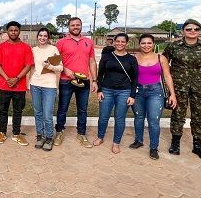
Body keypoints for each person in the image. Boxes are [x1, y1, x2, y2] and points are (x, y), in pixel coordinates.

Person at [163, 18, 201, 161]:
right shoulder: (173, 46)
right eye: (189, 29)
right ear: (183, 31)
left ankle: (198, 146)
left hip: (200, 86)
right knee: (178, 114)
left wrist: (200, 70)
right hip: (179, 85)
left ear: (199, 31)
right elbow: (164, 61)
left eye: (196, 29)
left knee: (200, 115)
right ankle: (175, 143)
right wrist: (174, 71)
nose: (192, 31)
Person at [130, 34, 177, 160]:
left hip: (155, 92)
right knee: (138, 117)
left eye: (149, 43)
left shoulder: (161, 58)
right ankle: (138, 140)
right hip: (138, 91)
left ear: (153, 44)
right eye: (143, 43)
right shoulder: (133, 58)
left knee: (153, 121)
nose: (146, 45)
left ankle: (153, 147)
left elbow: (167, 76)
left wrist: (172, 94)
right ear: (139, 44)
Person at [54, 17, 98, 147]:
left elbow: (91, 61)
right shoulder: (61, 42)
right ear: (69, 27)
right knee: (62, 108)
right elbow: (55, 60)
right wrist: (65, 69)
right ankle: (59, 132)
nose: (75, 27)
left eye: (77, 25)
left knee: (83, 109)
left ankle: (81, 134)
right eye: (72, 25)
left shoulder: (88, 42)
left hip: (84, 80)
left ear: (81, 26)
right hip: (66, 81)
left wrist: (94, 80)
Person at [93, 33, 138, 153]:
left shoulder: (132, 59)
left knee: (119, 118)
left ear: (127, 43)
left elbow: (135, 79)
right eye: (118, 41)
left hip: (124, 92)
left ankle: (116, 142)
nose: (120, 44)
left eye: (123, 42)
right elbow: (100, 74)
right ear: (114, 42)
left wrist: (132, 95)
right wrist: (99, 90)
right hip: (107, 90)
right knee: (103, 117)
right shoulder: (107, 56)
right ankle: (100, 137)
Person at [0, 21, 34, 146]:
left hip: (19, 87)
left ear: (19, 31)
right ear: (7, 32)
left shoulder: (26, 47)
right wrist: (7, 78)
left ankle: (16, 134)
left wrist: (17, 78)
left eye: (16, 30)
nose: (13, 32)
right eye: (11, 30)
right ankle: (2, 133)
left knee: (18, 111)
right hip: (4, 86)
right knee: (3, 110)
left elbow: (28, 65)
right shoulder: (1, 46)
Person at [29, 27, 63, 151]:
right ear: (37, 36)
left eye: (45, 36)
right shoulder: (33, 50)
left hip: (49, 86)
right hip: (35, 84)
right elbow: (32, 68)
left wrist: (49, 66)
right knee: (37, 112)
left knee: (47, 114)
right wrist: (29, 83)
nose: (42, 38)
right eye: (40, 35)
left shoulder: (53, 49)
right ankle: (40, 136)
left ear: (48, 38)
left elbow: (60, 68)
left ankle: (49, 137)